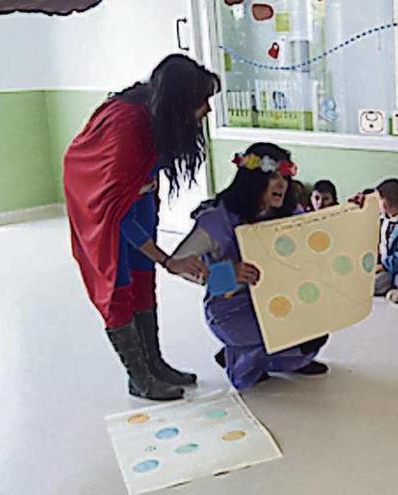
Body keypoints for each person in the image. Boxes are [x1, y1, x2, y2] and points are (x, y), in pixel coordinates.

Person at [63, 54, 218, 400]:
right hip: (101, 203)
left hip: (133, 194)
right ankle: (139, 378)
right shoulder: (127, 124)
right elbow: (121, 216)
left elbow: (145, 175)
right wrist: (169, 259)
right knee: (119, 286)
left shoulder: (156, 115)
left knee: (142, 277)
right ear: (179, 102)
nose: (207, 110)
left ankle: (155, 364)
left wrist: (146, 192)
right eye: (201, 101)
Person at [172, 143, 329, 390]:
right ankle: (243, 359)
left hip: (278, 299)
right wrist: (226, 273)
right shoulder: (219, 218)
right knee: (268, 335)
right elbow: (176, 264)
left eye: (285, 178)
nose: (282, 184)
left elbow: (322, 234)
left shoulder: (288, 213)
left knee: (314, 332)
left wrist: (357, 209)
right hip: (232, 308)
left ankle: (260, 356)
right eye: (273, 177)